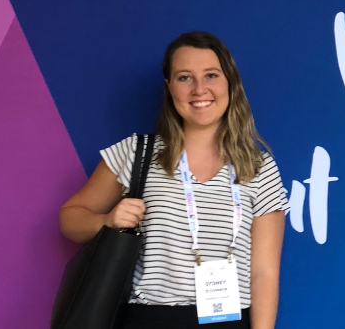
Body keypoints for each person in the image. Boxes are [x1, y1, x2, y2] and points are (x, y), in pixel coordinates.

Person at [60, 32, 288, 329]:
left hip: (230, 320)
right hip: (150, 319)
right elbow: (70, 220)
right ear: (169, 87)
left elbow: (264, 274)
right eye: (184, 78)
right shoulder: (136, 153)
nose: (199, 89)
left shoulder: (259, 166)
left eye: (211, 75)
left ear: (230, 83)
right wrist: (108, 220)